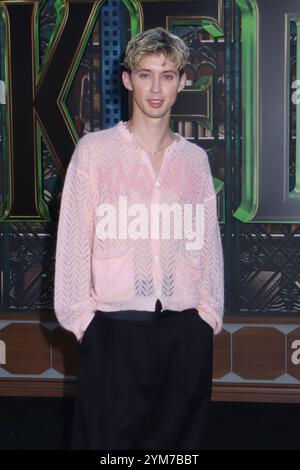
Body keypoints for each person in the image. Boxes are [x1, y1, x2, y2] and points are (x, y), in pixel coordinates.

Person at [54, 26, 224, 450]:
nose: (155, 87)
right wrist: (85, 324)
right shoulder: (94, 152)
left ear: (183, 81)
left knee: (176, 455)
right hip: (112, 332)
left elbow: (208, 244)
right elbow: (74, 242)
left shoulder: (195, 161)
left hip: (184, 331)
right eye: (145, 74)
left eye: (167, 75)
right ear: (127, 78)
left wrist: (207, 319)